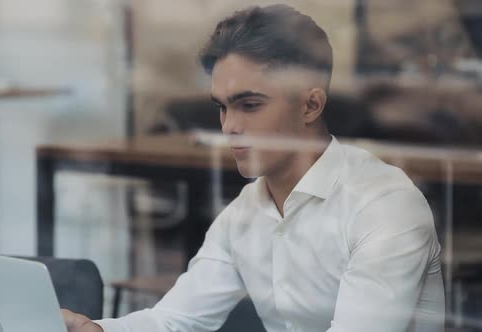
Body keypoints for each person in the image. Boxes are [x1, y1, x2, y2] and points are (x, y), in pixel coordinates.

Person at [62, 4, 445, 332]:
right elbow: (175, 320)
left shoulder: (384, 206)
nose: (230, 126)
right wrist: (96, 328)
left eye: (250, 105)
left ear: (311, 106)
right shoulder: (246, 212)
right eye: (223, 107)